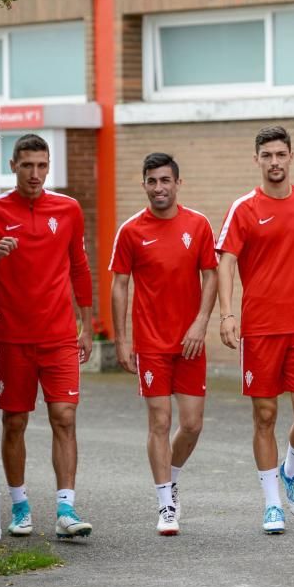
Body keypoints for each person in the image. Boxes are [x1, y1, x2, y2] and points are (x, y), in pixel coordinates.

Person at [216, 126, 294, 534]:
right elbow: (226, 261)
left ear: (291, 157)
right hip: (261, 330)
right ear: (257, 159)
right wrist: (227, 314)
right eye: (266, 155)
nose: (274, 162)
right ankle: (272, 504)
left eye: (280, 154)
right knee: (265, 415)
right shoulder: (244, 208)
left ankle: (291, 470)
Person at [109, 153, 218, 536]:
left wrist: (201, 323)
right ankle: (165, 505)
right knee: (160, 421)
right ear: (144, 185)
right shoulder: (131, 231)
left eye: (165, 180)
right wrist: (122, 339)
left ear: (177, 183)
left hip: (190, 343)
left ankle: (169, 476)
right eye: (152, 181)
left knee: (191, 425)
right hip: (151, 343)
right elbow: (120, 285)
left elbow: (211, 276)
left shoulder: (198, 225)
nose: (159, 188)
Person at [0, 133, 94, 539]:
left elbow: (79, 267)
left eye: (41, 165)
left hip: (58, 336)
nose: (35, 174)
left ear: (48, 167)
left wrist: (86, 324)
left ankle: (66, 509)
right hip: (11, 337)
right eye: (27, 165)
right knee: (14, 421)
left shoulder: (67, 209)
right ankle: (19, 506)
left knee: (64, 417)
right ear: (13, 165)